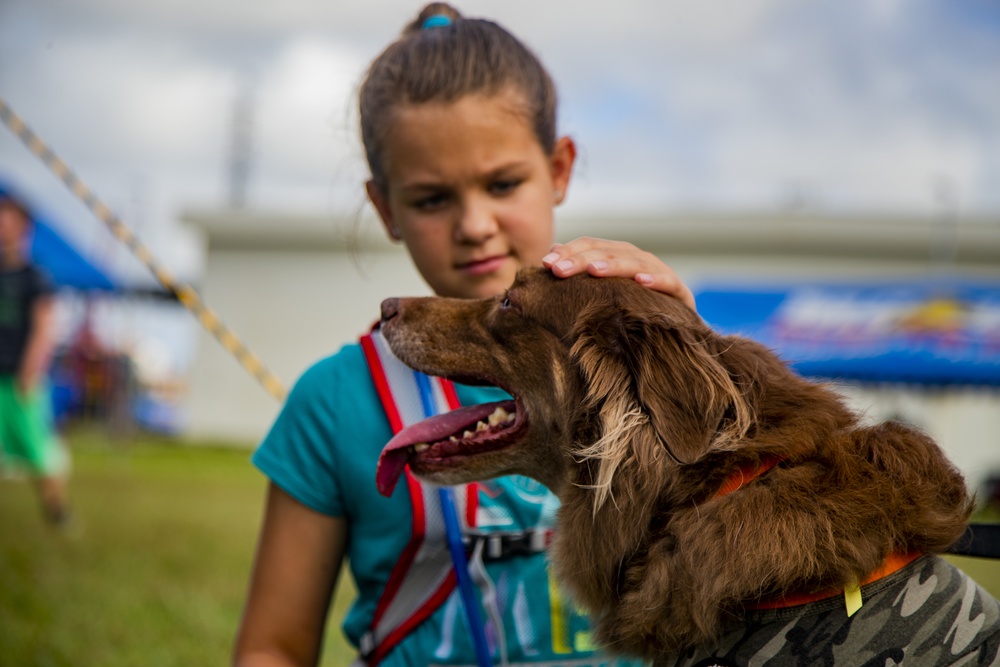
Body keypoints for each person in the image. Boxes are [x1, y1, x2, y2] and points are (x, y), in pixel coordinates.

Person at [233, 4, 694, 666]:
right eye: (431, 199)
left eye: (503, 183)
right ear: (385, 208)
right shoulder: (334, 401)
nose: (474, 223)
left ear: (559, 169)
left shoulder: (638, 351)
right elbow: (272, 647)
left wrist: (683, 347)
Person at [0, 192, 71, 527]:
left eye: (9, 220)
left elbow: (45, 328)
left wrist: (31, 369)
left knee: (39, 452)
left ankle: (58, 511)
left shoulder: (35, 277)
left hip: (21, 378)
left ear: (24, 228)